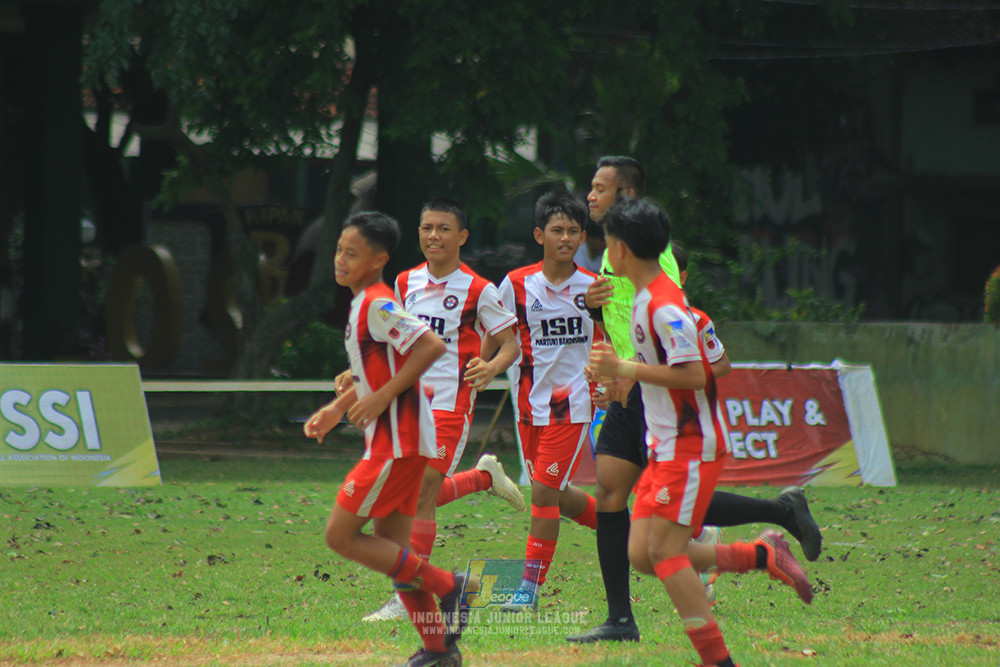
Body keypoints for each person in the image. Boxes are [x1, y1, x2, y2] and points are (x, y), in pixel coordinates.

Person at [567, 156, 821, 644]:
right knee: (624, 510)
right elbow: (625, 325)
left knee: (663, 536)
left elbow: (694, 359)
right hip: (635, 392)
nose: (590, 196)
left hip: (666, 412)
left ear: (626, 200)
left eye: (599, 189)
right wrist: (604, 337)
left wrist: (628, 372)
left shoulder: (653, 271)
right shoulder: (617, 264)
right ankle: (622, 616)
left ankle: (769, 532)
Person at [303, 211, 465, 667]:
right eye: (338, 249)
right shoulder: (366, 304)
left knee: (340, 536)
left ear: (378, 261)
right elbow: (379, 368)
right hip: (403, 441)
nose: (340, 260)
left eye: (351, 254)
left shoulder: (377, 302)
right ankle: (437, 650)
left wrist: (381, 400)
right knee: (394, 551)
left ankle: (451, 586)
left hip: (398, 442)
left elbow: (430, 345)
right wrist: (337, 408)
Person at [362, 197, 525, 622]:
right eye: (426, 228)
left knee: (421, 491)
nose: (433, 236)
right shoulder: (404, 283)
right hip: (409, 403)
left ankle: (408, 594)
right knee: (417, 494)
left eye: (443, 229)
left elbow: (512, 344)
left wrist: (490, 367)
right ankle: (482, 477)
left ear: (462, 237)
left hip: (452, 403)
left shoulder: (478, 289)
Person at [495, 191, 601, 609]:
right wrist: (478, 368)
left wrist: (606, 378)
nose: (566, 238)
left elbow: (611, 342)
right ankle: (623, 529)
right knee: (554, 491)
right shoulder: (516, 285)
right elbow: (497, 335)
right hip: (528, 404)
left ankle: (529, 589)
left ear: (582, 237)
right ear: (540, 234)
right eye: (557, 230)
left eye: (574, 231)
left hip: (572, 405)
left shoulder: (595, 289)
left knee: (542, 493)